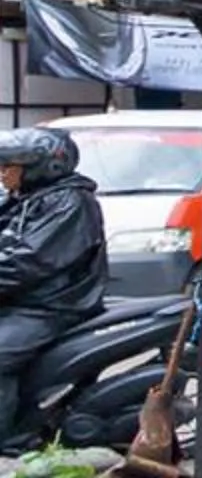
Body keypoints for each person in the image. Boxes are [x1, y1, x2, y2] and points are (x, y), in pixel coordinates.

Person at [0, 128, 106, 442]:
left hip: (49, 306)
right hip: (22, 300)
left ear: (38, 167)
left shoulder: (69, 202)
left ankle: (9, 443)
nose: (3, 174)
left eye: (9, 167)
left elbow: (27, 261)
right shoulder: (26, 199)